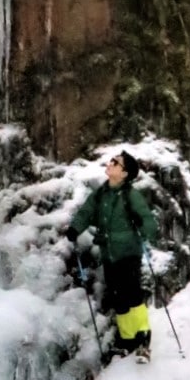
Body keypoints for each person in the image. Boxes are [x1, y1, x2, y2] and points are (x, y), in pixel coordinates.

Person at [65, 150, 159, 361]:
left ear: (124, 173)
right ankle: (127, 340)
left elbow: (148, 219)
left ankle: (143, 336)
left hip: (128, 252)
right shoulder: (100, 193)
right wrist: (75, 229)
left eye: (115, 162)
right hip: (109, 254)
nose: (110, 163)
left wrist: (144, 232)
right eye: (112, 161)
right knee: (118, 296)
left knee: (132, 293)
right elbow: (86, 213)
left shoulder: (130, 195)